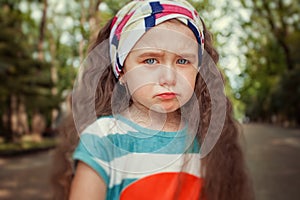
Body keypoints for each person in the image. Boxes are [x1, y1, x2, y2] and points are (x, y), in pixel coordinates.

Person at [51, 0, 254, 200]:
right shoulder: (103, 139)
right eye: (150, 60)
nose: (169, 78)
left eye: (183, 61)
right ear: (121, 71)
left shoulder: (207, 140)